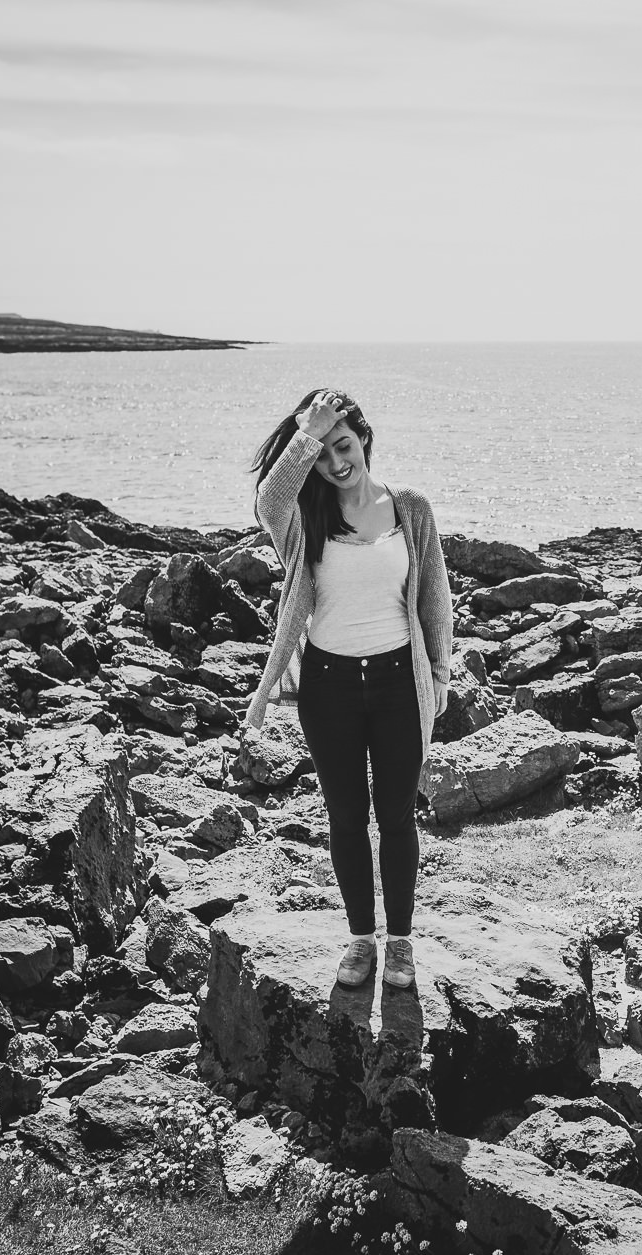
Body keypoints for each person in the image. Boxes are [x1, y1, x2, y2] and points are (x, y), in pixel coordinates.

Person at [246, 388, 453, 990]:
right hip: (329, 686)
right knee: (345, 818)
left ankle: (402, 941)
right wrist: (306, 434)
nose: (336, 462)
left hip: (396, 681)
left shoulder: (410, 507)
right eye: (322, 454)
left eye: (344, 444)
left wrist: (438, 675)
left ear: (363, 437)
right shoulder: (304, 517)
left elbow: (435, 597)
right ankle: (361, 939)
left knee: (396, 816)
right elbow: (268, 500)